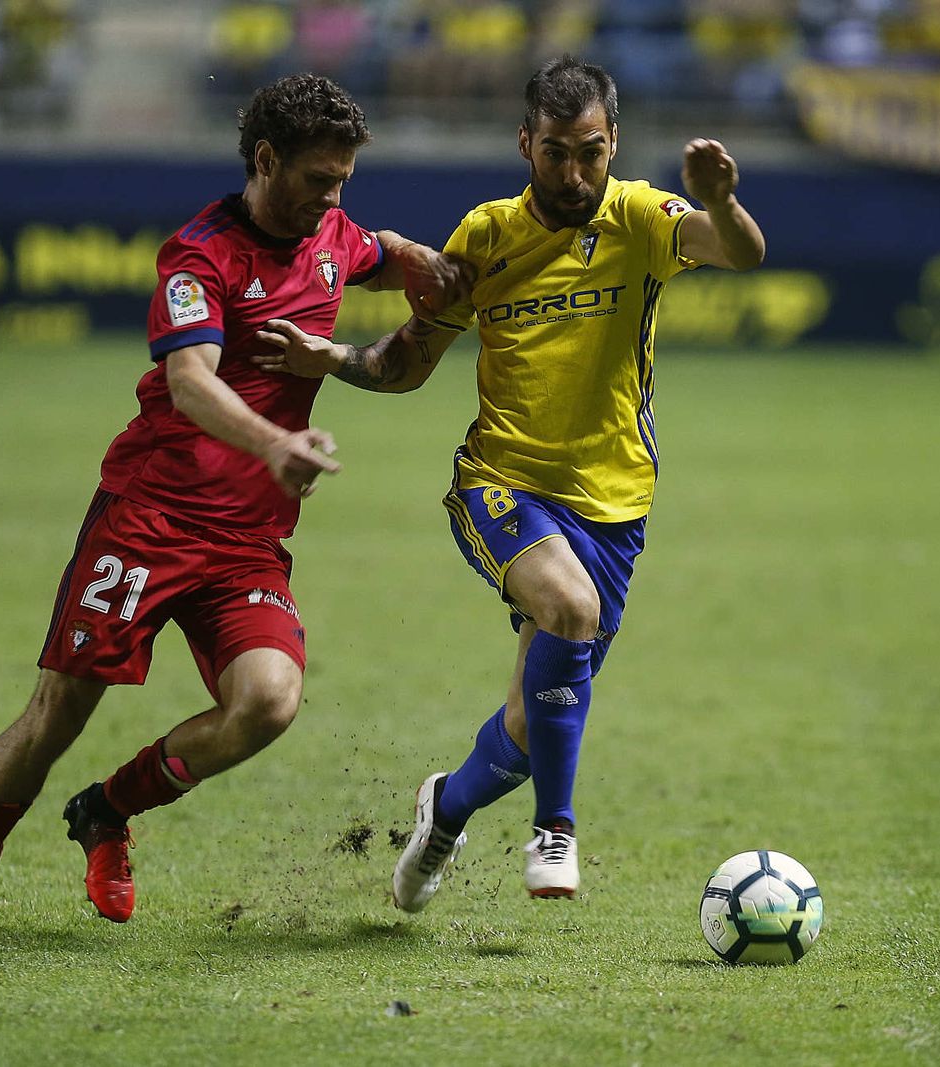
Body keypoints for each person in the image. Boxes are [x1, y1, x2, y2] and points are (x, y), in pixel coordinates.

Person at [0, 73, 471, 942]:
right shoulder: (199, 255)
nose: (333, 195)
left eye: (344, 179)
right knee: (59, 710)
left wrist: (418, 262)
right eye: (319, 178)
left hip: (246, 541)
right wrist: (275, 444)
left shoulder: (331, 234)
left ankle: (107, 808)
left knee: (269, 702)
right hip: (150, 517)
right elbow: (190, 382)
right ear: (266, 159)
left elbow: (373, 246)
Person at [248, 55, 765, 908]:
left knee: (531, 723)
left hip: (614, 505)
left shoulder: (640, 216)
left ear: (614, 145)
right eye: (556, 151)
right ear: (525, 142)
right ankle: (556, 830)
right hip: (501, 482)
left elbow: (742, 251)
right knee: (568, 608)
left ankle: (442, 810)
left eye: (590, 153)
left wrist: (718, 198)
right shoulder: (485, 237)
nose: (574, 172)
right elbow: (408, 362)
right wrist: (330, 357)